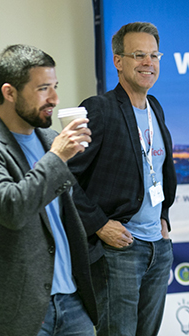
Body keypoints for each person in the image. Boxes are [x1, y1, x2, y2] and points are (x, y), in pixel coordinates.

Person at [68, 22, 177, 336]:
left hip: (157, 247)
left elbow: (157, 172)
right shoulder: (98, 109)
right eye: (139, 55)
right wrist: (99, 224)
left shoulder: (155, 107)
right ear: (118, 61)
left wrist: (164, 218)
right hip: (119, 250)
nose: (148, 63)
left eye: (154, 55)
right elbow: (63, 176)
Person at [0, 44, 96, 335]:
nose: (54, 98)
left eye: (55, 86)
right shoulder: (52, 148)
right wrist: (57, 157)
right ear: (9, 92)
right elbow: (12, 209)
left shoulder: (49, 138)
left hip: (73, 303)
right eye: (43, 88)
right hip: (23, 311)